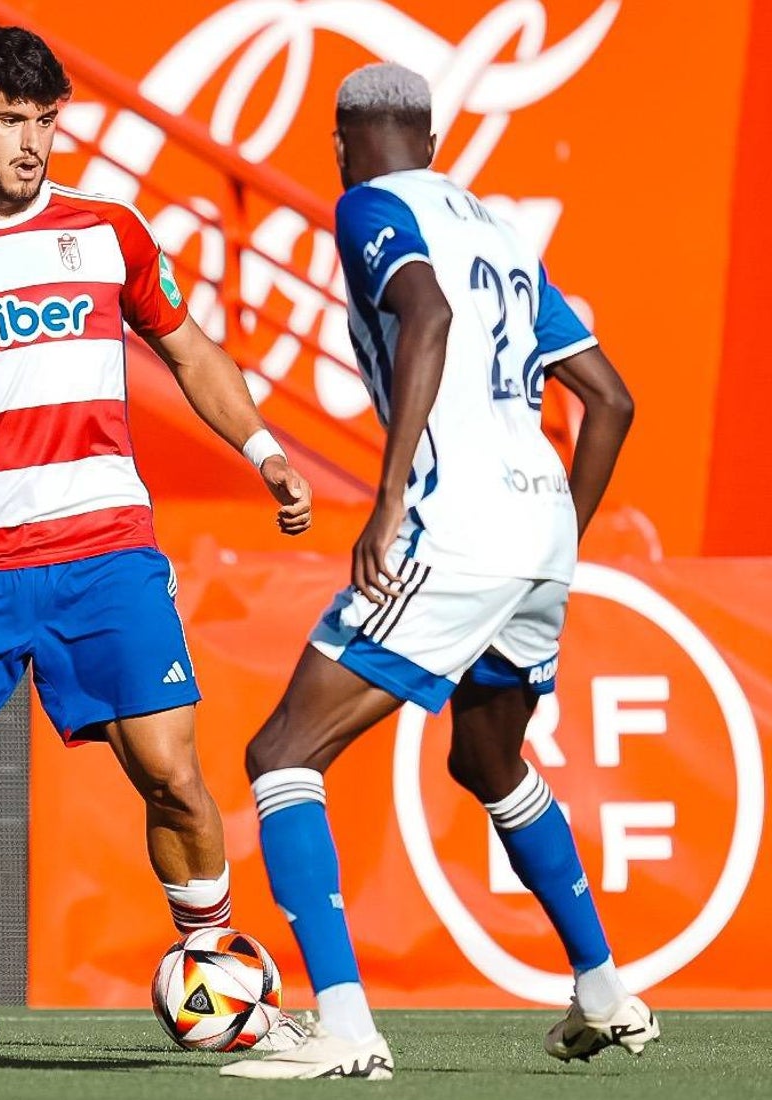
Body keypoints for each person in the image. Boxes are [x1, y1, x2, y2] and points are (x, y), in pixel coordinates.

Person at [0, 25, 312, 1052]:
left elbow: (191, 348)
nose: (33, 141)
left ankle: (219, 972)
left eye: (46, 119)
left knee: (172, 771)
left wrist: (263, 449)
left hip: (103, 548)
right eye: (10, 118)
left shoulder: (111, 231)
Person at [221, 62, 657, 1081]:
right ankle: (604, 988)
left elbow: (427, 318)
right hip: (537, 520)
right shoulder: (501, 230)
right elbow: (614, 398)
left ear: (341, 146)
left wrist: (385, 502)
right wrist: (556, 534)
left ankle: (342, 1025)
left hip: (452, 521)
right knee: (487, 759)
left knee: (282, 751)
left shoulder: (367, 206)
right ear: (432, 136)